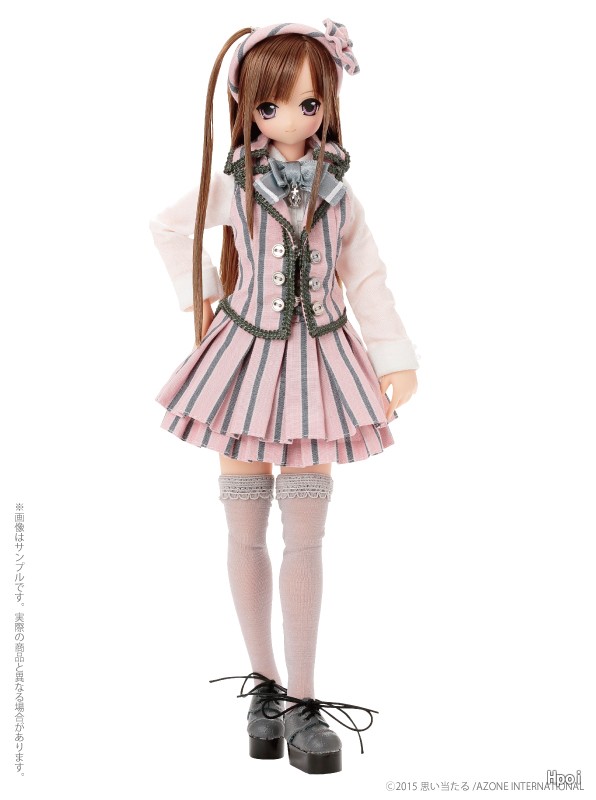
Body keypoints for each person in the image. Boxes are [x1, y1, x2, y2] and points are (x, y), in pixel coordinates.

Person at [149, 19, 419, 775]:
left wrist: (394, 356)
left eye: (307, 103)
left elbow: (367, 278)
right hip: (241, 364)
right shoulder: (236, 185)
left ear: (327, 103)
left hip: (321, 369)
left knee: (306, 535)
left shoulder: (341, 195)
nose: (292, 119)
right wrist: (202, 295)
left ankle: (304, 699)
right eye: (270, 107)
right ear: (248, 107)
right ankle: (264, 689)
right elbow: (168, 226)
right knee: (243, 529)